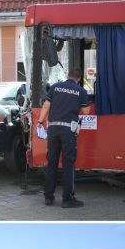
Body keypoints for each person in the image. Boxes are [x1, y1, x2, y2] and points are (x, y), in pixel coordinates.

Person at [36, 68, 91, 208]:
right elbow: (86, 111)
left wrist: (40, 122)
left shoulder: (55, 86)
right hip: (68, 130)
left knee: (52, 163)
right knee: (68, 164)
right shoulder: (81, 91)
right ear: (79, 79)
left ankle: (48, 197)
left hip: (53, 129)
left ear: (67, 75)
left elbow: (46, 105)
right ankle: (67, 199)